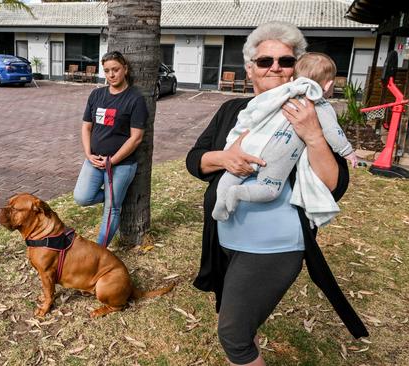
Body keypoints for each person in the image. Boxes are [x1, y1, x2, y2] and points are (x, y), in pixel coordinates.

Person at [185, 21, 368, 366]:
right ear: (250, 68)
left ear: (297, 69)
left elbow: (334, 186)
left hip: (274, 245)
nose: (275, 68)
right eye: (265, 61)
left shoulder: (309, 111)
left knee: (233, 337)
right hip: (225, 238)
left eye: (285, 61)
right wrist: (224, 158)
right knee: (238, 318)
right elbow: (195, 160)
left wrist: (313, 135)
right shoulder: (233, 111)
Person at [212, 52, 359, 227]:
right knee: (270, 189)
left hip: (253, 145)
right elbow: (333, 131)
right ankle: (239, 193)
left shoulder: (282, 93)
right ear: (327, 85)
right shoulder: (318, 104)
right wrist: (347, 151)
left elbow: (256, 109)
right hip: (278, 155)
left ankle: (221, 201)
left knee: (231, 175)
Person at [73, 51, 148, 246]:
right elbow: (86, 127)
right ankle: (113, 198)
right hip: (95, 160)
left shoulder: (135, 99)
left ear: (125, 69)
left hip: (121, 164)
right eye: (107, 71)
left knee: (112, 209)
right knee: (82, 197)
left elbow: (136, 138)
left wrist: (112, 161)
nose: (111, 75)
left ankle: (100, 250)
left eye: (115, 70)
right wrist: (88, 154)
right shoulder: (97, 95)